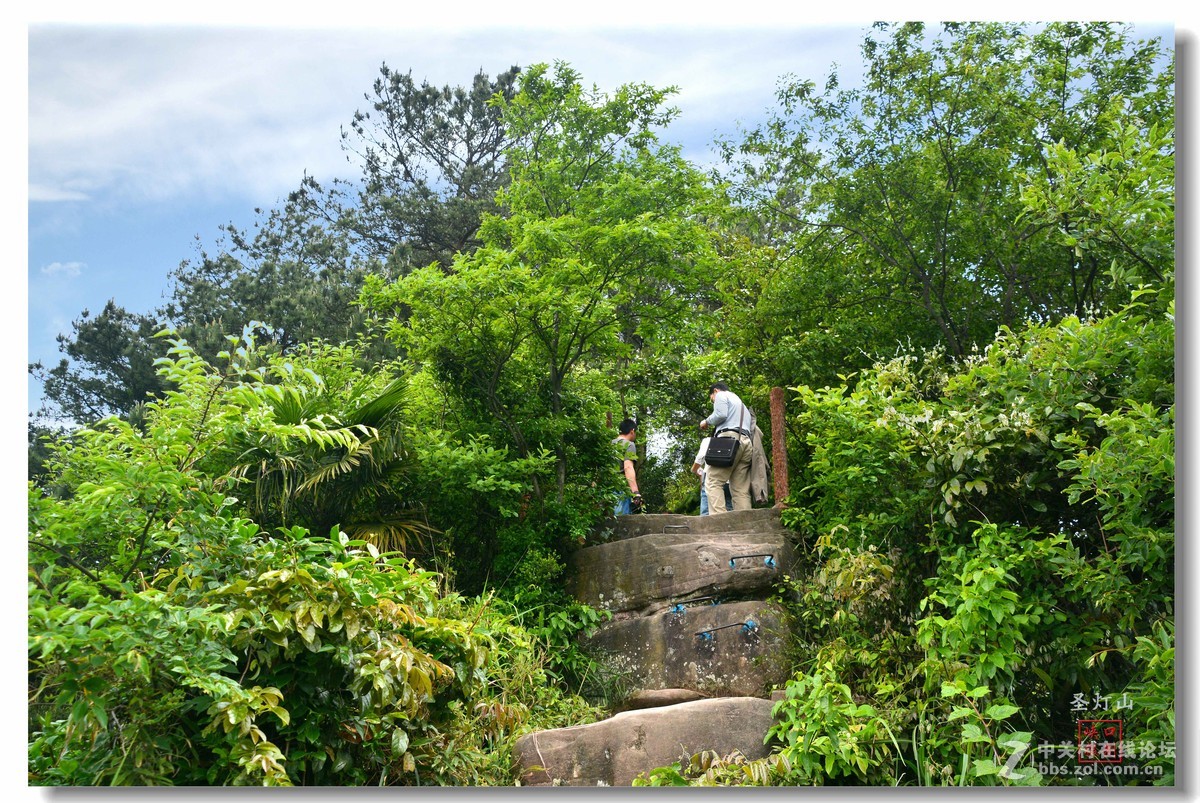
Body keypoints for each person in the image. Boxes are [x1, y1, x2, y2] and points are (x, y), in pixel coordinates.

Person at [698, 382, 755, 514]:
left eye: (711, 398)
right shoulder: (741, 405)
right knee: (740, 489)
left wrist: (706, 421)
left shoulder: (721, 395)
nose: (713, 401)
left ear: (715, 391)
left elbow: (721, 414)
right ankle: (745, 524)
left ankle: (720, 522)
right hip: (746, 443)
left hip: (728, 441)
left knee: (712, 481)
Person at [691, 436, 733, 516]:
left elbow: (701, 457)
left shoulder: (709, 440)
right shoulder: (735, 440)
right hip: (729, 480)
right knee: (729, 510)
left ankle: (706, 528)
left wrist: (694, 470)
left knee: (706, 512)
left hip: (712, 479)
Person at [612, 418, 641, 515]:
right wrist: (635, 492)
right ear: (632, 431)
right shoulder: (629, 445)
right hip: (619, 489)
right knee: (621, 521)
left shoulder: (609, 444)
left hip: (604, 488)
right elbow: (628, 467)